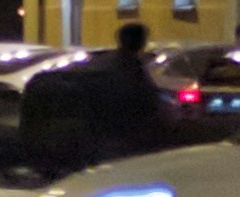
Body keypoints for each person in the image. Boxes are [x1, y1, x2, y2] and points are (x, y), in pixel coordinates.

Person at [19, 14, 173, 179]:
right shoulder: (128, 69)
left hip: (98, 138)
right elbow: (142, 103)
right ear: (141, 42)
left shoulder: (105, 63)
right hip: (114, 143)